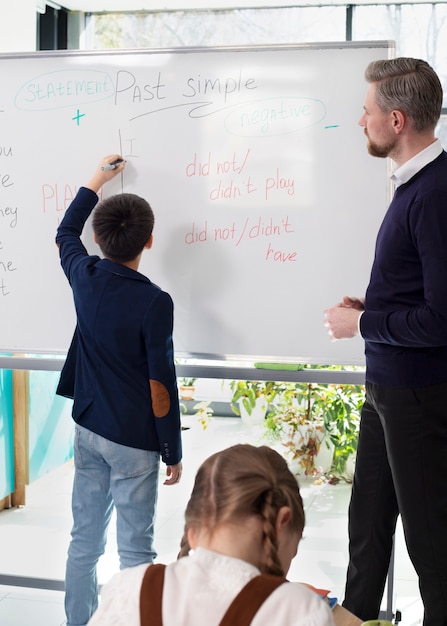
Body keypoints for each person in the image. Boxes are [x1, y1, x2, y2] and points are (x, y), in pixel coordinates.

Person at [324, 57, 447, 625]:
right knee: (366, 529)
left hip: (418, 397)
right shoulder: (411, 185)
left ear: (396, 120)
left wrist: (364, 325)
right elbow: (419, 292)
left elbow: (443, 320)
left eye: (367, 111)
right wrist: (374, 307)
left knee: (431, 547)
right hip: (387, 389)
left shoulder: (435, 193)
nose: (360, 121)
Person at [56, 155, 183, 626]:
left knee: (83, 542)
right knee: (135, 551)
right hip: (133, 441)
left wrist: (95, 180)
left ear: (98, 239)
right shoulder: (154, 301)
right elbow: (160, 381)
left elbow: (65, 234)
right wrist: (171, 448)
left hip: (88, 429)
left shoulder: (84, 277)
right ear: (149, 242)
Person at [86, 443, 337, 626]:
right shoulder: (300, 611)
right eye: (293, 549)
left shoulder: (129, 588)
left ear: (193, 532)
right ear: (281, 523)